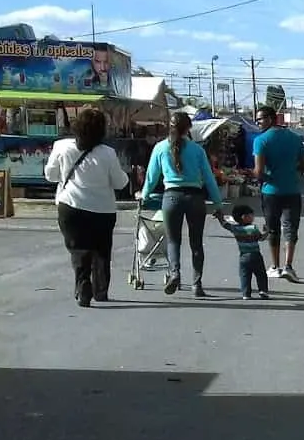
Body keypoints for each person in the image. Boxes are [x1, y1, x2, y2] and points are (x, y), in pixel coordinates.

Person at [43, 108, 129, 307]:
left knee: (79, 249)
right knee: (101, 250)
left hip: (70, 207)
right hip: (102, 210)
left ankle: (83, 285)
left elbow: (50, 175)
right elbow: (120, 183)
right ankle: (101, 290)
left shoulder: (61, 146)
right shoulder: (108, 153)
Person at [142, 112, 222, 297]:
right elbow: (209, 178)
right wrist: (217, 202)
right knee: (196, 243)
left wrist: (144, 195)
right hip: (195, 198)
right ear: (189, 128)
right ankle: (197, 284)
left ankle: (175, 273)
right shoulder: (198, 150)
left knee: (173, 240)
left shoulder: (160, 148)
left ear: (169, 127)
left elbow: (151, 177)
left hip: (171, 198)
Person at [253, 105, 304, 282]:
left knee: (273, 229)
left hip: (271, 192)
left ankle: (275, 266)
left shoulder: (261, 140)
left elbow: (259, 171)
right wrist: (290, 170)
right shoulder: (295, 139)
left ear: (270, 118)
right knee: (291, 228)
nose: (258, 123)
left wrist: (256, 175)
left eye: (260, 119)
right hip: (292, 191)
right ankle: (289, 266)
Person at [218, 203, 270, 300]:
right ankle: (263, 290)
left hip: (243, 257)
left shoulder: (235, 229)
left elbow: (225, 224)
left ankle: (246, 293)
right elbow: (261, 238)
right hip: (256, 255)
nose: (253, 217)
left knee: (245, 275)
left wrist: (219, 216)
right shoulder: (253, 228)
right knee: (261, 274)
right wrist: (267, 231)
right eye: (251, 215)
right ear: (244, 217)